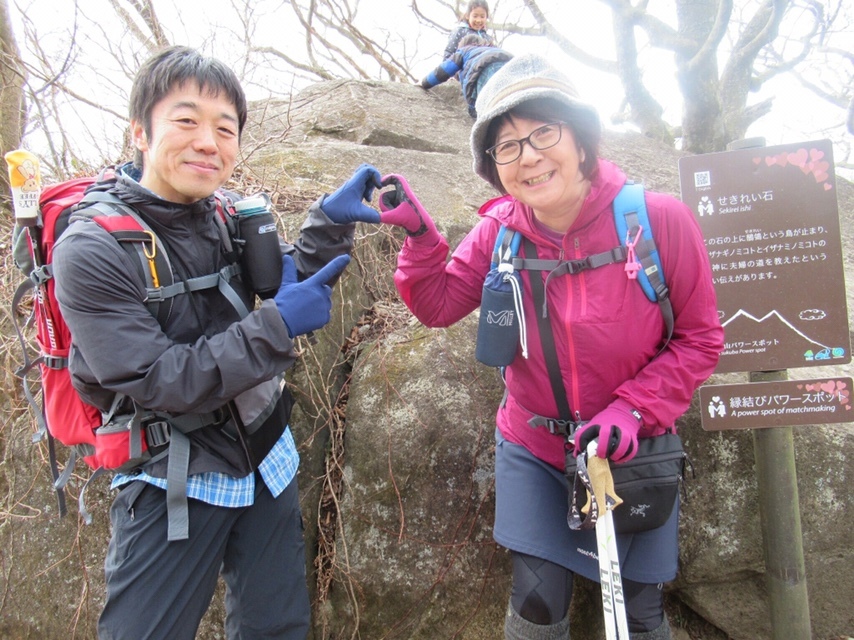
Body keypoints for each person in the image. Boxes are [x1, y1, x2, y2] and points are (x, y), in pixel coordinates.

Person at [376, 53, 723, 639]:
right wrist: (418, 235)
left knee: (638, 613)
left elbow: (700, 338)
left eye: (543, 132)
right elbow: (438, 305)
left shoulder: (657, 221)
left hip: (631, 447)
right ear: (494, 166)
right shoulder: (500, 231)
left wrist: (633, 410)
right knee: (537, 603)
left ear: (580, 137)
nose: (528, 156)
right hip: (534, 446)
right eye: (507, 146)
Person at [52, 45, 383, 640]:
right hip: (172, 473)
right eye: (186, 120)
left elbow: (287, 285)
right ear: (139, 131)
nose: (208, 142)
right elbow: (157, 378)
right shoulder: (91, 249)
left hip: (266, 460)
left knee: (277, 629)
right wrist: (276, 326)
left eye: (225, 128)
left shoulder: (228, 213)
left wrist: (330, 223)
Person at [421, 34, 512, 118]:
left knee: (490, 111)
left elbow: (445, 69)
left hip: (485, 72)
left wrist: (425, 82)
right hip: (511, 69)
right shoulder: (494, 49)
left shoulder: (464, 51)